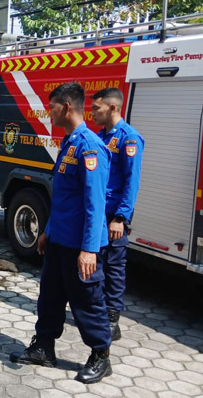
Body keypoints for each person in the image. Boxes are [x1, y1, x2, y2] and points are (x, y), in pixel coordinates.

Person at [10, 82, 112, 384]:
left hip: (80, 246)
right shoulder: (68, 142)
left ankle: (100, 355)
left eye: (52, 106)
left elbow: (95, 204)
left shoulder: (89, 146)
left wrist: (89, 249)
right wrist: (48, 231)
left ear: (67, 106)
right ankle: (44, 347)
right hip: (58, 241)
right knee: (50, 297)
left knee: (87, 302)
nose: (48, 112)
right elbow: (63, 198)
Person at [92, 87, 144, 341]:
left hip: (114, 216)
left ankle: (112, 319)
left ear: (112, 108)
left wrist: (120, 218)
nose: (92, 113)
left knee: (114, 266)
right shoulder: (101, 136)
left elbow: (131, 182)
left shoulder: (129, 138)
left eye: (96, 108)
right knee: (98, 263)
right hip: (98, 214)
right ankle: (98, 310)